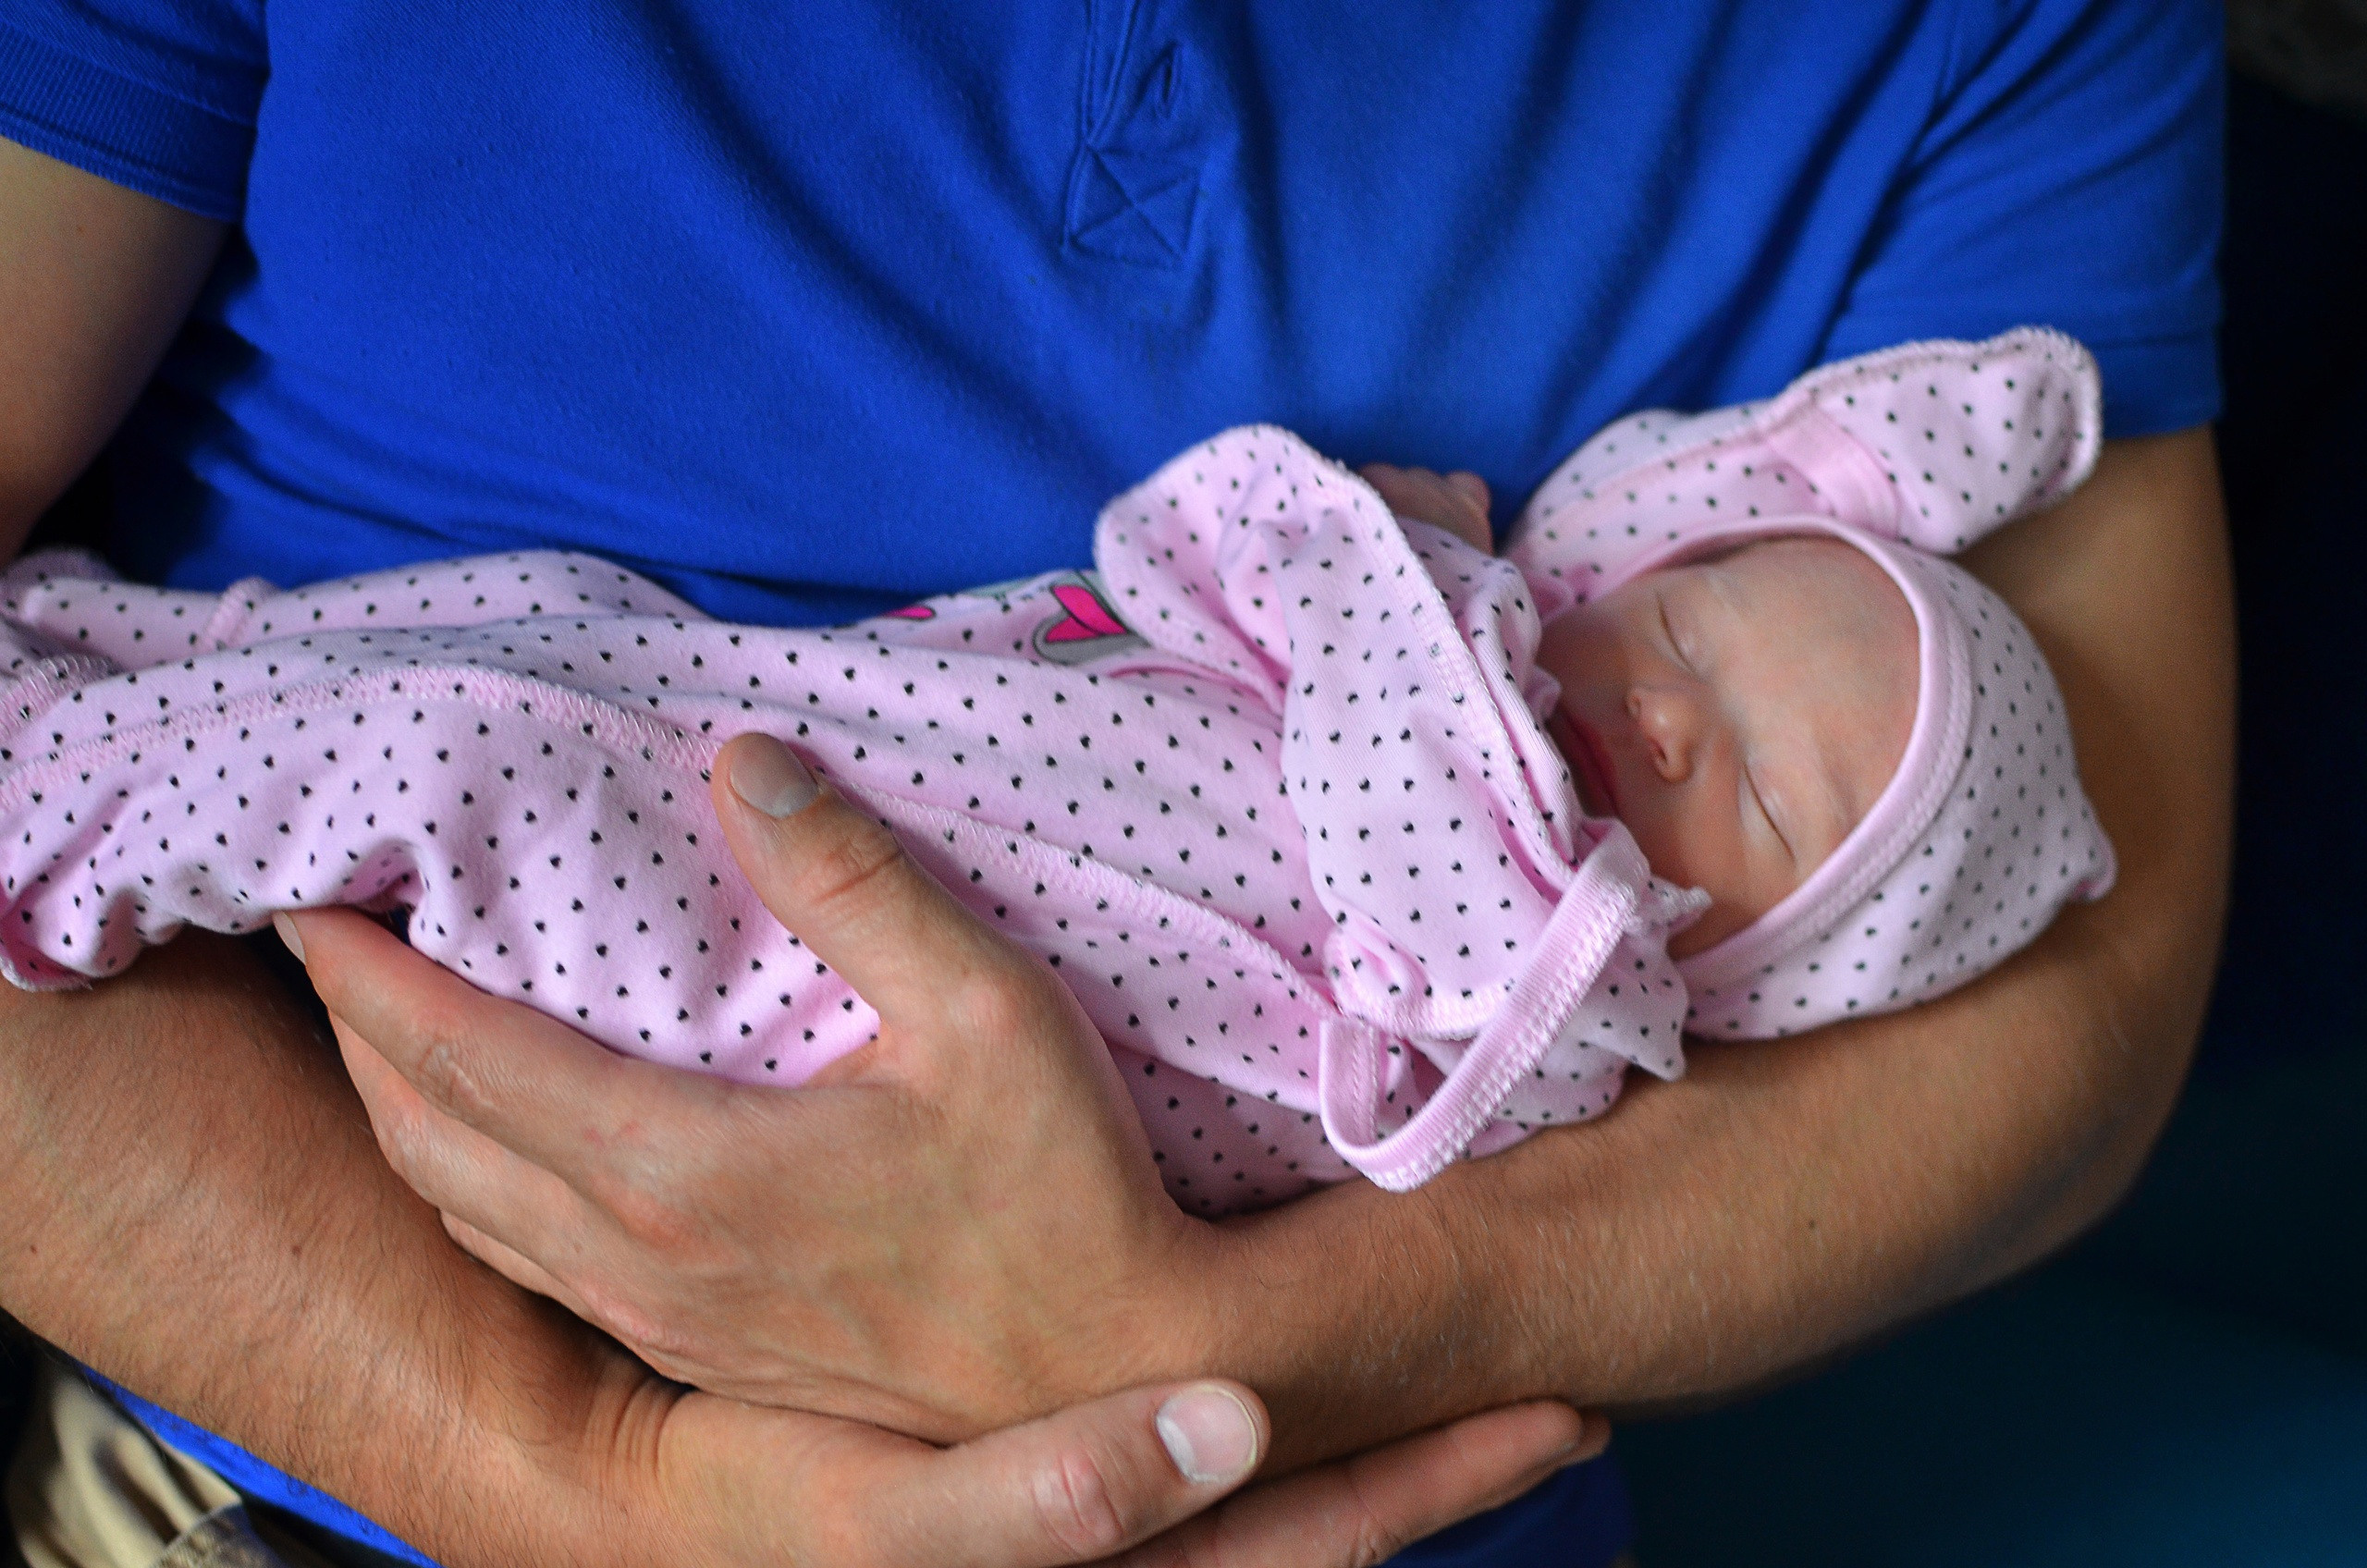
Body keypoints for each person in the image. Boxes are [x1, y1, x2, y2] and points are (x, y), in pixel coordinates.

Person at [0, 3, 2229, 1564]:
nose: (1657, 714)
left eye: (1744, 784)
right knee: (442, 750)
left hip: (1322, 1508)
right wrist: (577, 1478)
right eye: (1701, 622)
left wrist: (1186, 1342)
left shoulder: (2007, 36)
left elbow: (2078, 1021)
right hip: (338, 1475)